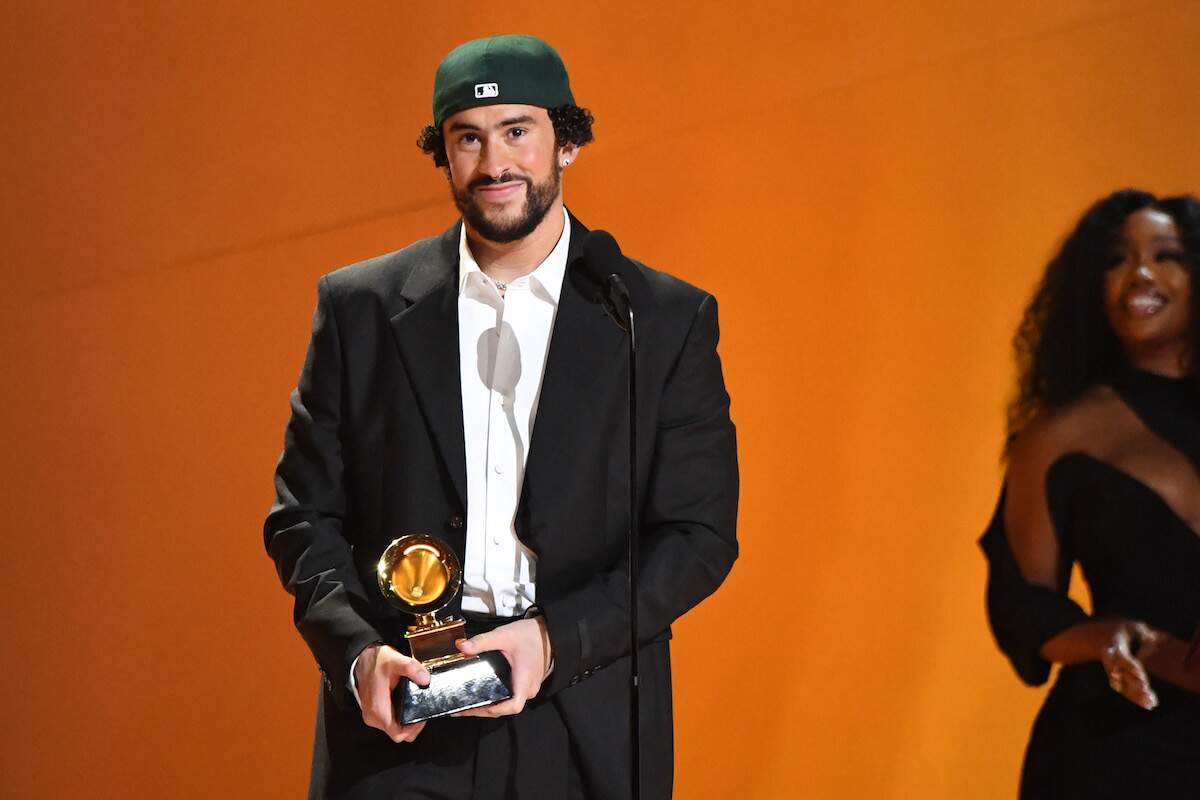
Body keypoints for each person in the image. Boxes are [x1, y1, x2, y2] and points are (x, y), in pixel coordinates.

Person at [264, 34, 739, 800]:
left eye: (518, 131)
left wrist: (553, 641)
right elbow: (302, 518)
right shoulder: (359, 309)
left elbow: (698, 537)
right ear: (443, 153)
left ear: (567, 141)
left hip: (585, 712)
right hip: (401, 722)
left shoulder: (658, 318)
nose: (494, 165)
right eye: (468, 139)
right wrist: (358, 656)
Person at [980, 189, 1200, 797]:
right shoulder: (1057, 437)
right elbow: (1022, 605)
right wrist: (1111, 635)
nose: (1141, 273)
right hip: (1117, 745)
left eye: (1167, 254)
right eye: (1116, 260)